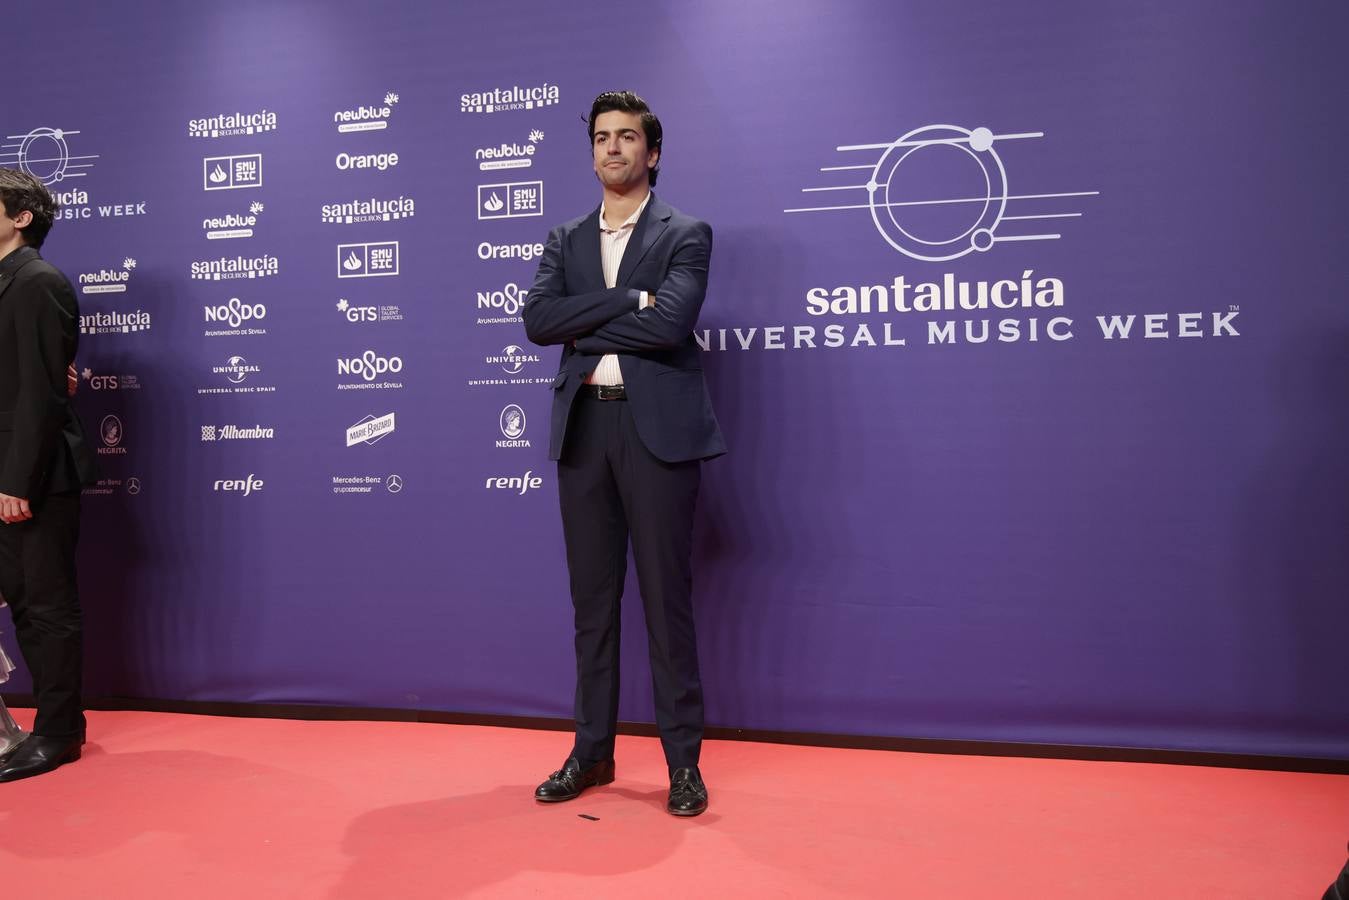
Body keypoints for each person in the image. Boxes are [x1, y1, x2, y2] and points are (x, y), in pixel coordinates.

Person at [523, 91, 725, 816]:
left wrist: (593, 323)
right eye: (601, 137)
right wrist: (628, 302)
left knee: (665, 606)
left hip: (657, 436)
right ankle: (591, 754)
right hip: (584, 434)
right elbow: (537, 321)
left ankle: (682, 766)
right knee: (592, 607)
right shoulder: (564, 238)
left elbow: (671, 326)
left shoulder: (685, 232)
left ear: (652, 153)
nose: (611, 148)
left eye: (626, 137)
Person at [0, 167, 97, 782]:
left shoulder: (37, 283)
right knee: (23, 605)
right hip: (7, 470)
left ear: (20, 218)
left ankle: (59, 730)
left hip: (31, 478)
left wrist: (16, 482)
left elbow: (40, 395)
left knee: (45, 606)